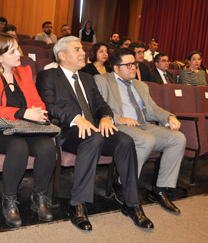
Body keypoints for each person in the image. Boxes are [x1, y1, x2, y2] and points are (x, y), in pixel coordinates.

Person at [36, 36, 154, 231]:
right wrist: (77, 118)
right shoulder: (48, 76)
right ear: (62, 55)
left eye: (82, 49)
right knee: (95, 137)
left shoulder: (87, 78)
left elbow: (101, 105)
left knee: (125, 140)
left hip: (93, 130)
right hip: (67, 131)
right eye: (77, 50)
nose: (83, 53)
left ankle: (132, 203)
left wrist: (107, 117)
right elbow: (50, 107)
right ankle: (77, 204)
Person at [0, 33, 56, 228]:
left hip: (25, 126)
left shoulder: (24, 71)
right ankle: (9, 200)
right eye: (12, 51)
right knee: (18, 147)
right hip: (0, 129)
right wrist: (23, 112)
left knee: (47, 146)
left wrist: (38, 111)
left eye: (17, 48)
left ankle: (39, 196)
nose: (19, 53)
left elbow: (35, 99)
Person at [94, 48, 186, 214]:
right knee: (146, 140)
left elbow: (152, 109)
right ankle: (123, 184)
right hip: (118, 126)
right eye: (128, 65)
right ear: (116, 68)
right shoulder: (102, 80)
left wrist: (169, 117)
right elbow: (97, 107)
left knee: (178, 138)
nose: (133, 68)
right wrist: (118, 118)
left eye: (135, 64)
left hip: (142, 125)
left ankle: (160, 189)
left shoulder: (141, 85)